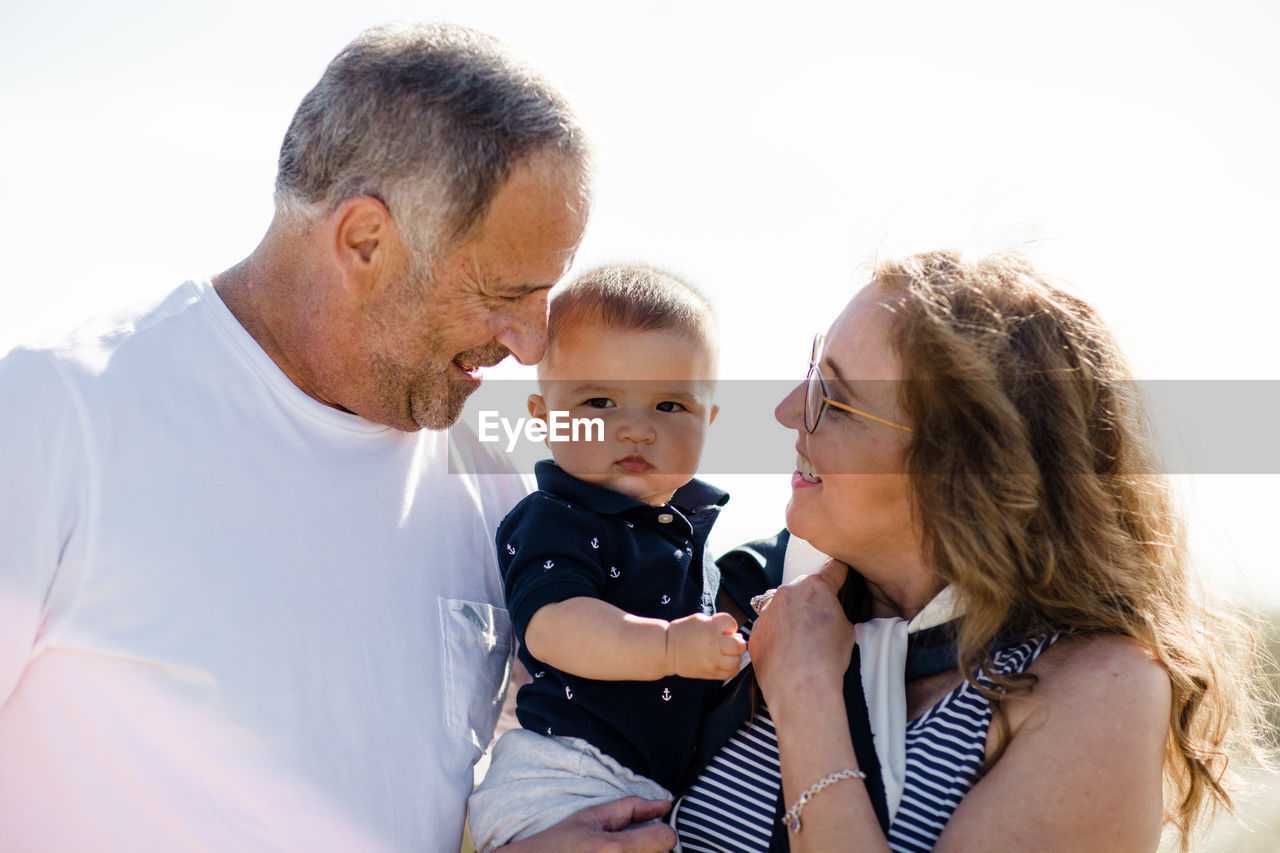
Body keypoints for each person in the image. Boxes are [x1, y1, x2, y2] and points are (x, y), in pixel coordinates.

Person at [0, 21, 609, 852]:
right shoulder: (57, 415)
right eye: (506, 292)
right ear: (364, 240)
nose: (531, 342)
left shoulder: (495, 490)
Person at [668, 250, 1271, 852]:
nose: (787, 412)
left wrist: (804, 691)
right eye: (812, 372)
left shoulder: (1096, 684)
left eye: (834, 397)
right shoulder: (742, 593)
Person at [467, 264, 746, 851]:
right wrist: (671, 648)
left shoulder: (687, 533)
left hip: (641, 787)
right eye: (601, 401)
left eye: (670, 406)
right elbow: (555, 627)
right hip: (560, 779)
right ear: (543, 418)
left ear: (709, 421)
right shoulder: (558, 517)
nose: (637, 430)